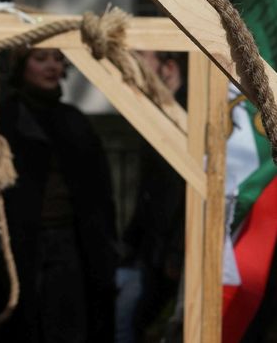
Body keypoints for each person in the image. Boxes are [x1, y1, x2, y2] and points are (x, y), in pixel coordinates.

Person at [0, 48, 118, 343]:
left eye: (57, 59)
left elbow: (100, 194)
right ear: (22, 67)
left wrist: (105, 247)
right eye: (40, 59)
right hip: (15, 248)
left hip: (70, 247)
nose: (51, 66)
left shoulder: (75, 122)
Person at [116, 51, 187, 343]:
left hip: (173, 250)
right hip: (152, 250)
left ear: (168, 68)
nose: (129, 62)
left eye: (139, 55)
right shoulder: (154, 113)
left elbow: (183, 194)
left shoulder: (188, 116)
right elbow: (149, 193)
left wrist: (176, 251)